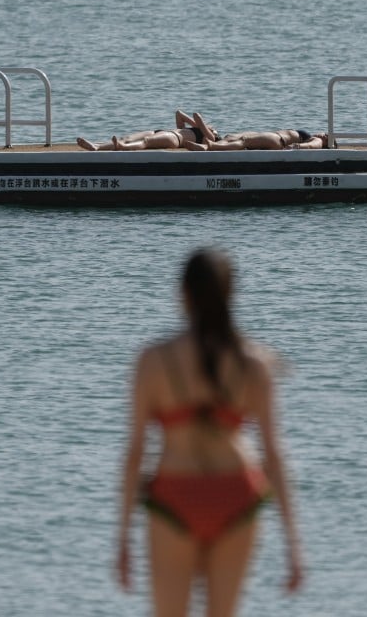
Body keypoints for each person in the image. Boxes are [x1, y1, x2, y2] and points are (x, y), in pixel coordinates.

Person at [117, 248, 303, 617]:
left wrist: (122, 537)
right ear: (231, 294)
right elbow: (274, 454)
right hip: (237, 493)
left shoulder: (154, 361)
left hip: (174, 494)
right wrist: (293, 545)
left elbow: (136, 451)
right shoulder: (253, 363)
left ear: (182, 294)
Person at [77, 110, 218, 151]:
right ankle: (97, 146)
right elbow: (179, 114)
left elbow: (197, 116)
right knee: (126, 137)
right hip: (162, 131)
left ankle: (122, 147)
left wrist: (203, 126)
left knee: (145, 141)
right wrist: (197, 126)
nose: (213, 129)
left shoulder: (210, 137)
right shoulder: (196, 130)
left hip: (174, 138)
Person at [183, 129, 327, 152]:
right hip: (274, 137)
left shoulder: (317, 140)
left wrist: (296, 147)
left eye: (326, 135)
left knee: (245, 140)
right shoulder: (313, 136)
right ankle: (207, 146)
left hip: (278, 140)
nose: (323, 133)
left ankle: (212, 147)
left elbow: (312, 146)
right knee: (231, 137)